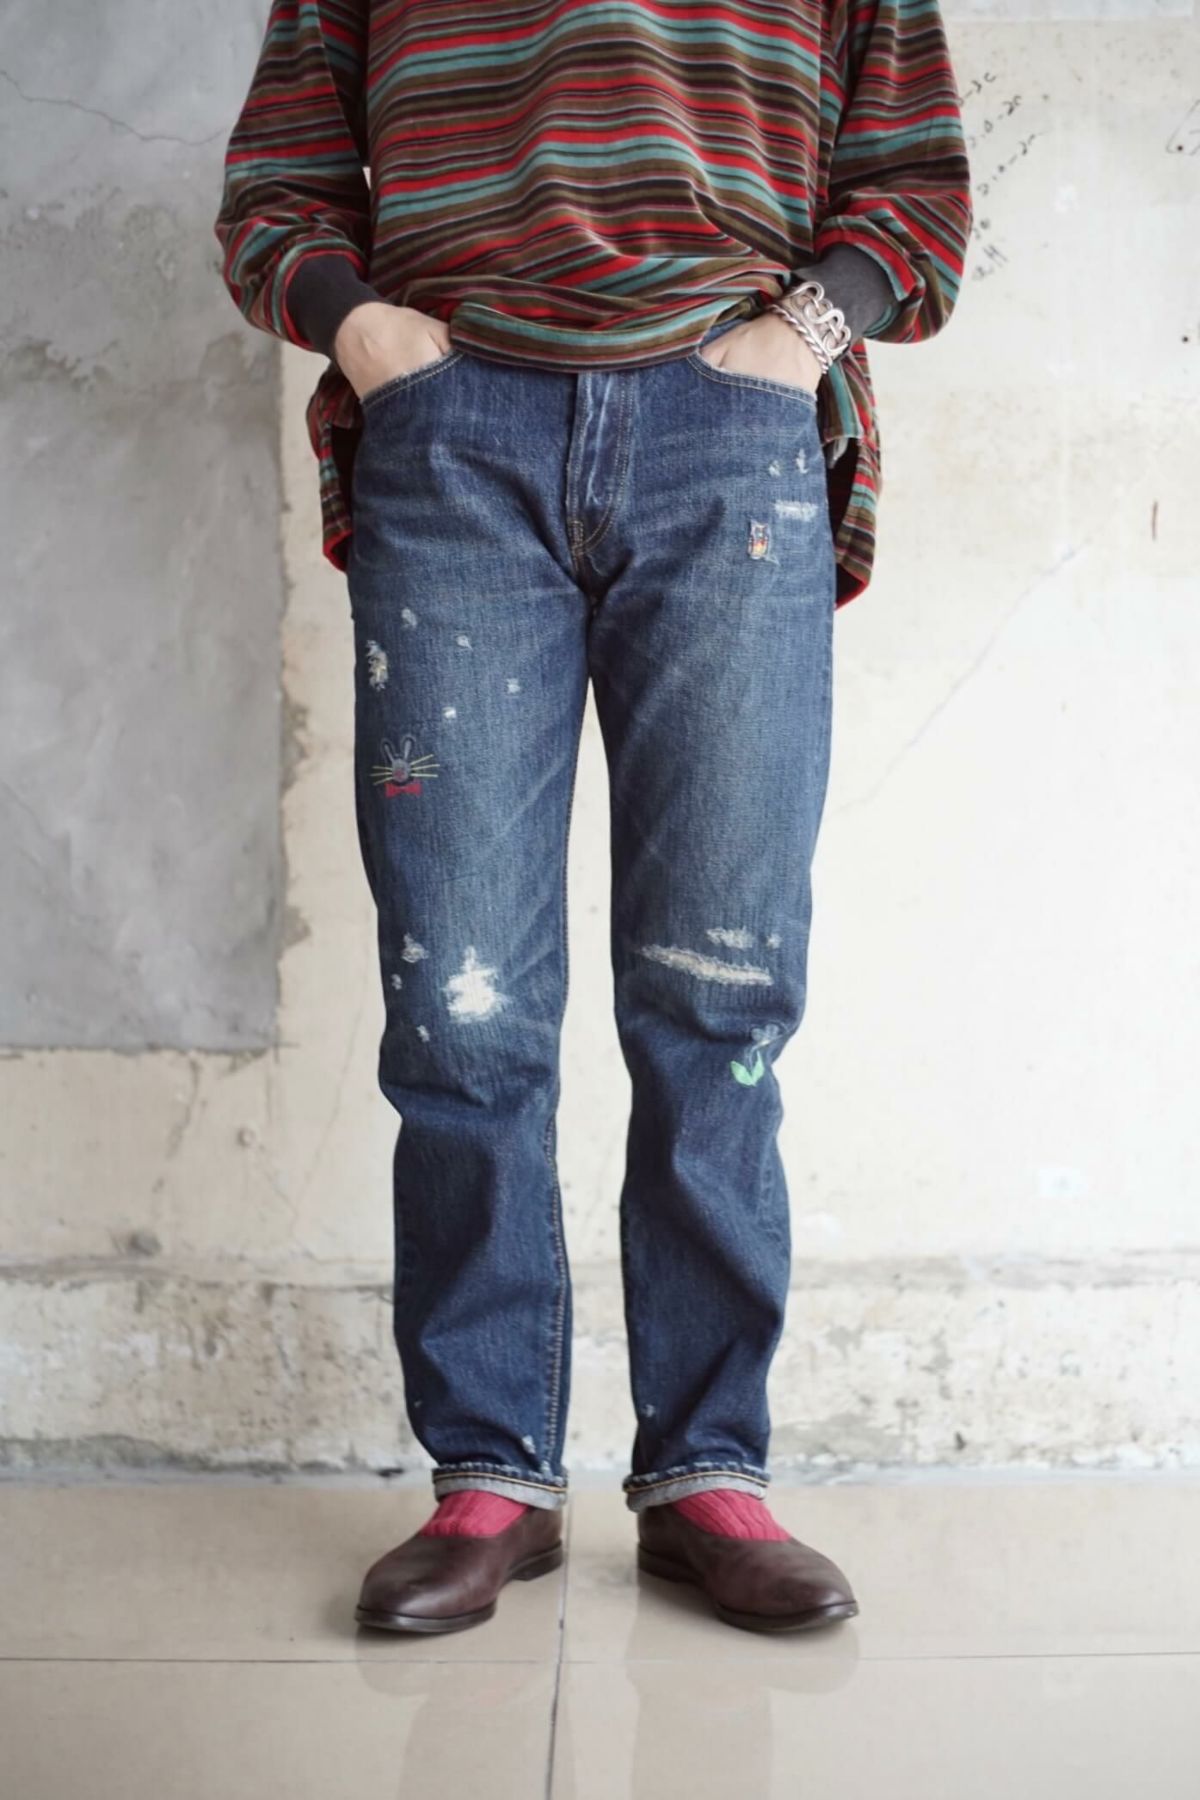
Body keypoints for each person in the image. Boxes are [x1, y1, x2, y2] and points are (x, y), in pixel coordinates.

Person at [214, 0, 971, 1636]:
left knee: (719, 993)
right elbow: (276, 192)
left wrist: (796, 342)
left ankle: (708, 1472)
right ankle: (489, 1475)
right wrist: (372, 339)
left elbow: (915, 192)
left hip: (731, 434)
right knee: (462, 998)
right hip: (453, 433)